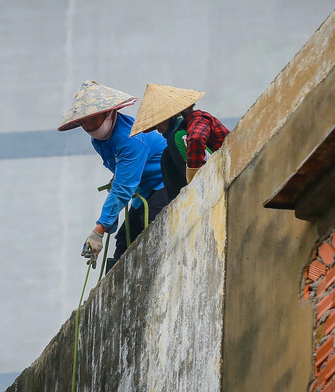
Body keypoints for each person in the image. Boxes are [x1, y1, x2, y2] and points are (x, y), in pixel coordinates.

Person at [58, 80, 169, 269]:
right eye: (84, 121)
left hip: (165, 181)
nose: (90, 126)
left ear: (109, 113)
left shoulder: (131, 139)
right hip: (143, 189)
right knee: (124, 240)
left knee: (152, 224)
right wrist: (110, 218)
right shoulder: (99, 141)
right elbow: (121, 176)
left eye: (94, 118)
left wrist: (99, 230)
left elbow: (123, 187)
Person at [130, 84, 230, 201]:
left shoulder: (198, 118)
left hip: (224, 170)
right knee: (166, 155)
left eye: (160, 122)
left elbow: (196, 138)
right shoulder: (183, 131)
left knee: (175, 139)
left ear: (173, 116)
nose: (158, 129)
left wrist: (194, 178)